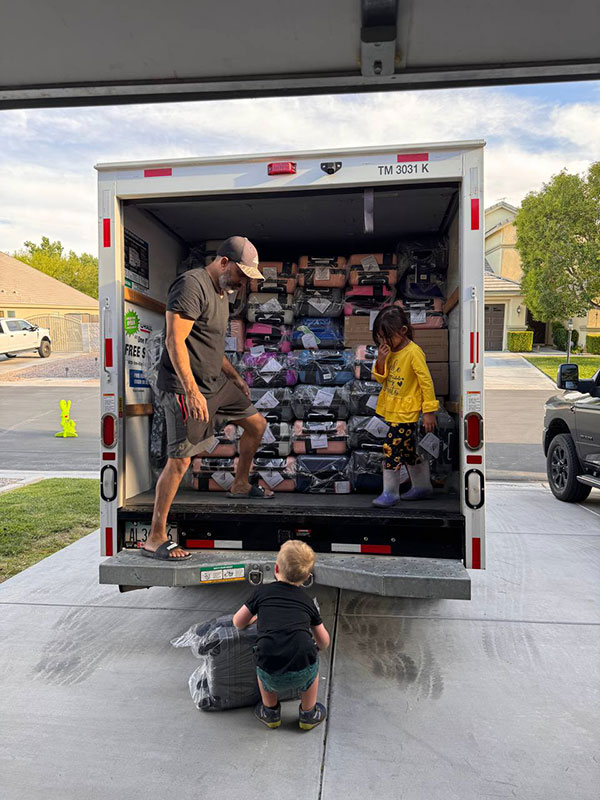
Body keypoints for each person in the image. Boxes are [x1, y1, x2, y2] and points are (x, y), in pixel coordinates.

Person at [141, 236, 274, 563]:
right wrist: (191, 391)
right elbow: (175, 342)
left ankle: (240, 484)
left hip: (216, 383)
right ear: (224, 262)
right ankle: (155, 536)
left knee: (256, 424)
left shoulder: (222, 292)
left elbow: (212, 345)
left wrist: (234, 376)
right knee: (181, 459)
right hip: (187, 388)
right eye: (241, 275)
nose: (242, 283)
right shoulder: (191, 285)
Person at [232, 540, 330, 730]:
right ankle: (308, 714)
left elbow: (238, 622)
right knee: (313, 670)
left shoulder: (261, 593)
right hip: (303, 669)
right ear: (307, 577)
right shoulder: (307, 601)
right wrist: (316, 645)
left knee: (263, 668)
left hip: (270, 670)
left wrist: (255, 618)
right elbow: (324, 642)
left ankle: (271, 713)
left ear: (276, 568)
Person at [370, 305, 439, 506]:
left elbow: (426, 381)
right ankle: (422, 486)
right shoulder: (389, 351)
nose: (384, 342)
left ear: (403, 331)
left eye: (388, 337)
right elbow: (380, 379)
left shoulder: (413, 352)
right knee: (408, 451)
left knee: (391, 449)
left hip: (406, 413)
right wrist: (381, 360)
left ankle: (390, 493)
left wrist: (429, 411)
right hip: (393, 410)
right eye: (381, 338)